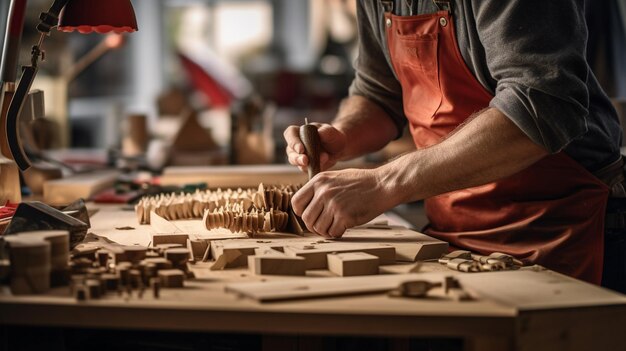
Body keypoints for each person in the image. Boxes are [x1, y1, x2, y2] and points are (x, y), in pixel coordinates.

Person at [283, 0, 626, 293]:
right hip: (452, 236)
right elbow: (378, 90)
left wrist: (384, 182)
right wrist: (343, 135)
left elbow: (542, 104)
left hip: (559, 228)